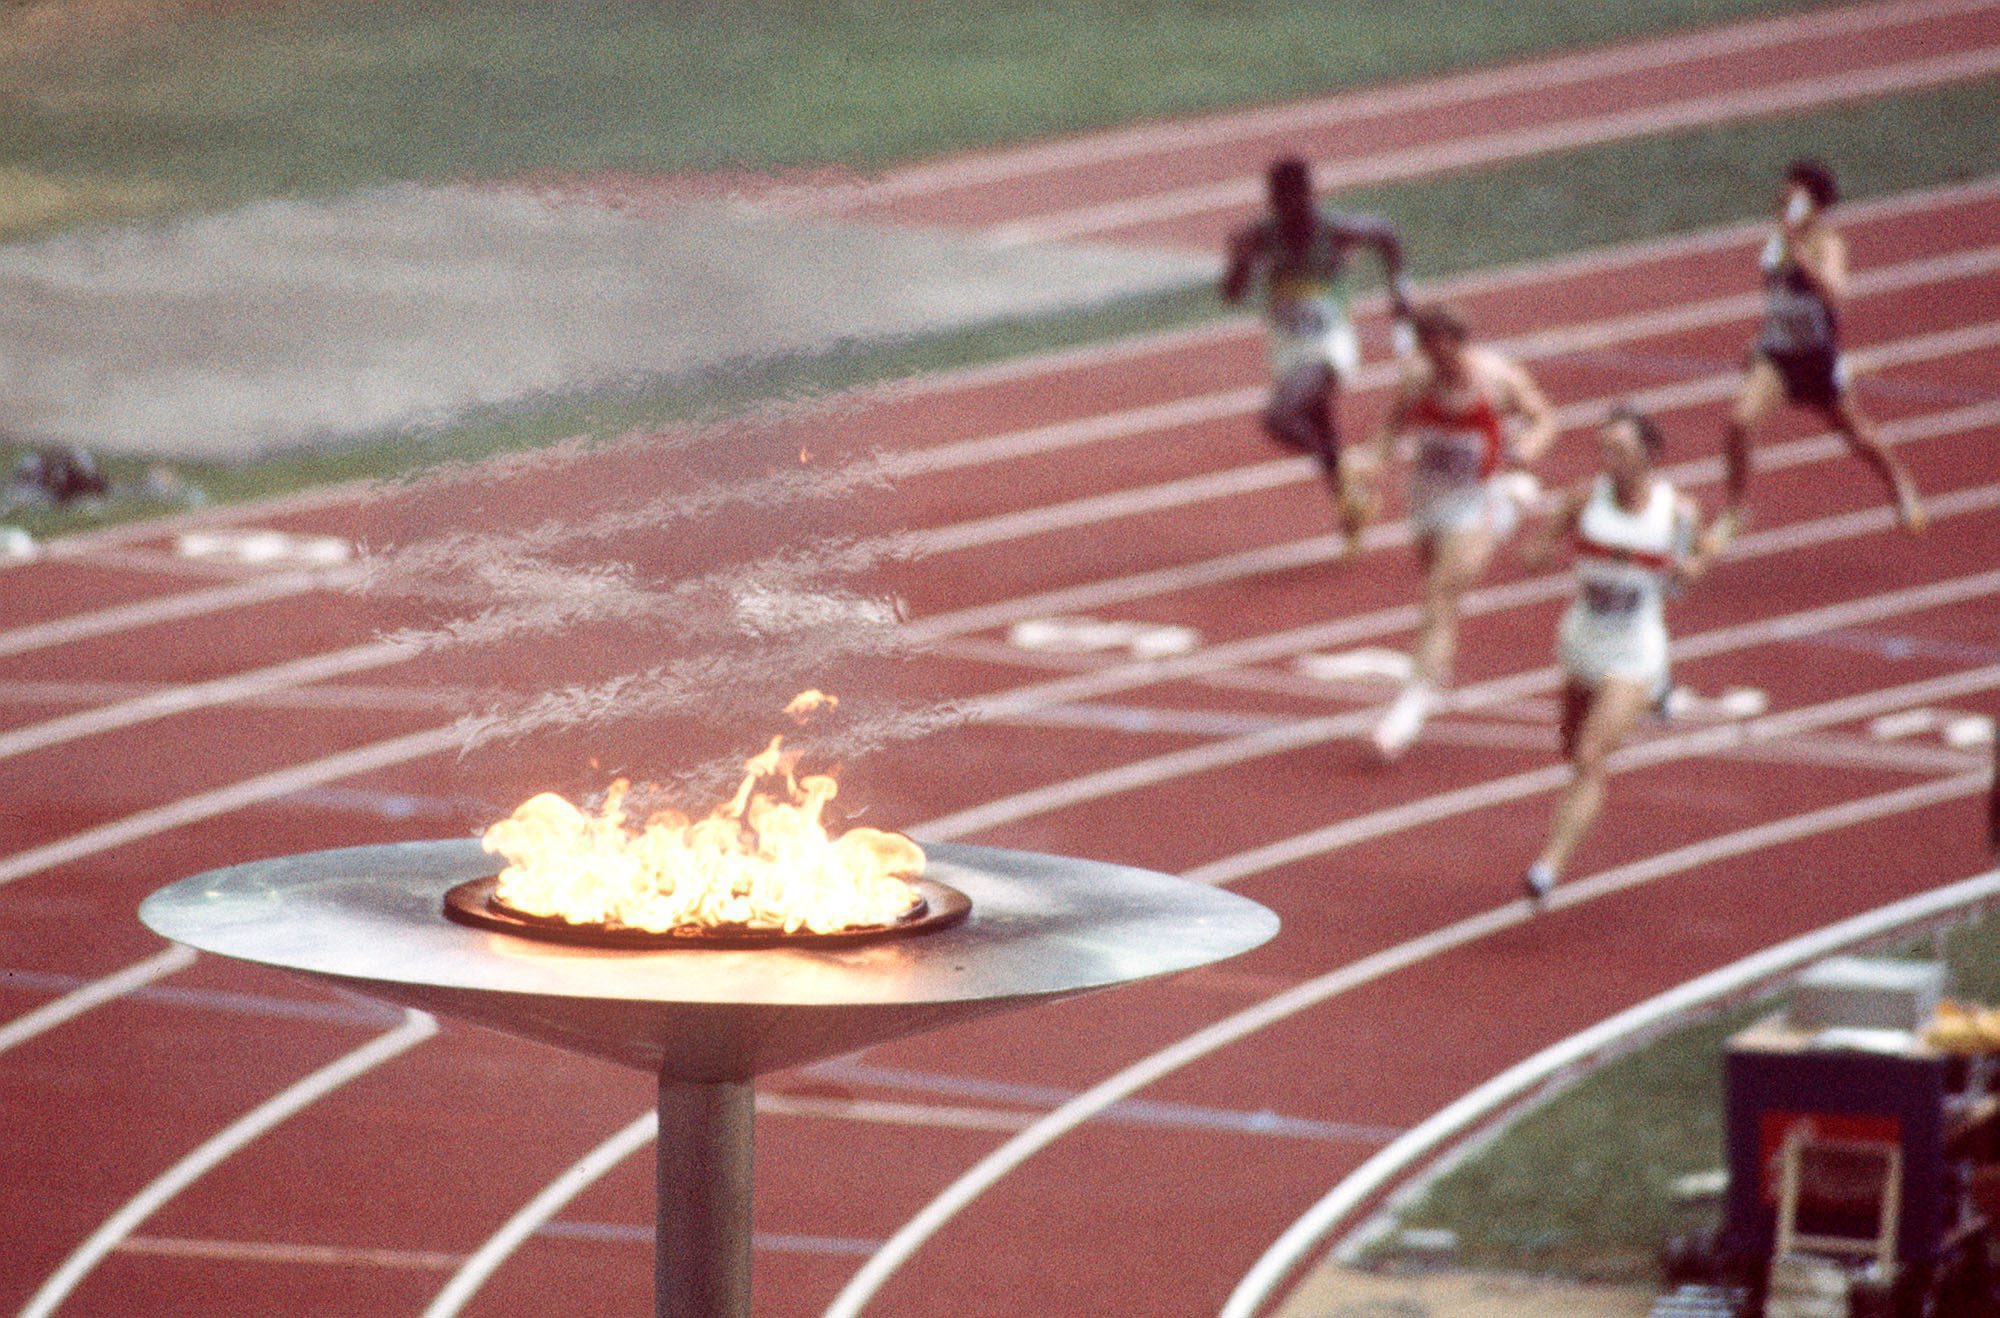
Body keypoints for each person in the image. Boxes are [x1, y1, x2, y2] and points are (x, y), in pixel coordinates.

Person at [1518, 406, 1718, 905]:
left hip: (1634, 650)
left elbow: (1687, 575)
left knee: (1589, 759)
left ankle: (1548, 866)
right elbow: (1534, 553)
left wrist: (1691, 569)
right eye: (1606, 449)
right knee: (1570, 750)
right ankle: (1656, 698)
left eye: (1622, 450)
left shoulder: (1677, 513)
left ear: (1649, 455)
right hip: (1581, 642)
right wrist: (1538, 547)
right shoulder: (1584, 501)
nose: (1611, 460)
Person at [1348, 303, 1557, 759]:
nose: (1444, 367)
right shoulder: (1418, 376)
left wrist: (1524, 449)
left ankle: (1407, 711)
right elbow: (1389, 428)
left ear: (1463, 345)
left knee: (1441, 594)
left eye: (1449, 357)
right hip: (1427, 494)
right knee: (1436, 590)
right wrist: (1369, 465)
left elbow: (1545, 419)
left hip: (1478, 498)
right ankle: (1433, 665)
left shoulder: (1498, 379)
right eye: (1433, 356)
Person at [1709, 157, 1924, 551]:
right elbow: (1777, 297)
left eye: (1796, 191)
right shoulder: (1777, 238)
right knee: (1739, 422)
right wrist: (1761, 336)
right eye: (1786, 190)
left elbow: (1835, 293)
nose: (1785, 196)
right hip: (1776, 356)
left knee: (1856, 433)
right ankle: (1736, 510)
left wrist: (1800, 253)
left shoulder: (1828, 243)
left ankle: (1898, 480)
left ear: (1814, 203)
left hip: (1816, 359)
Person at [1221, 156, 1411, 551]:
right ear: (1272, 199)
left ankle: (1347, 475)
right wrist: (1240, 261)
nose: (1289, 209)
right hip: (1286, 344)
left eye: (1297, 199)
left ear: (1309, 194)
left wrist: (1401, 293)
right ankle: (1352, 503)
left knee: (1279, 418)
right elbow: (1232, 294)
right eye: (1280, 200)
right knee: (1321, 424)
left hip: (1328, 344)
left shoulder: (1334, 229)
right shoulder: (1260, 235)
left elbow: (1385, 234)